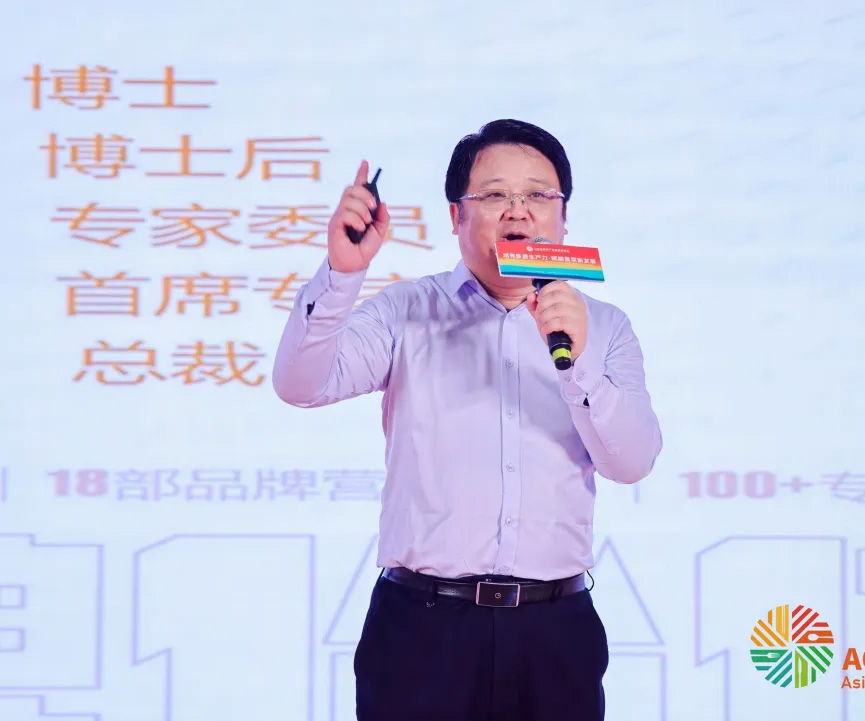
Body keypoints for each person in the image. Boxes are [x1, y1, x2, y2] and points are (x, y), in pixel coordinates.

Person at [272, 118, 663, 721]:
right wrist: (343, 274)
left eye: (538, 195)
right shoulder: (407, 311)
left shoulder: (604, 327)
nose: (519, 210)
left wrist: (580, 362)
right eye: (495, 194)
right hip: (422, 630)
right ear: (457, 216)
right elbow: (301, 385)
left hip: (555, 631)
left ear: (564, 216)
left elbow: (632, 462)